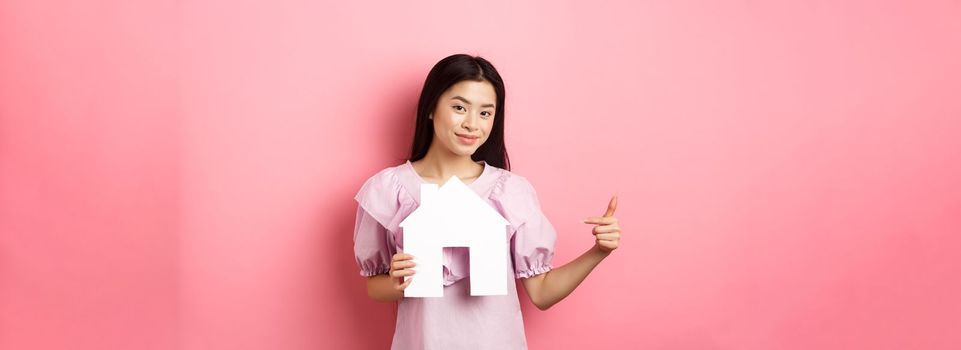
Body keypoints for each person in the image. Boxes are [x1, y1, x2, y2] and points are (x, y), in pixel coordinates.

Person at [352, 53, 622, 349]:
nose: (472, 124)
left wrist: (598, 251)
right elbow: (374, 286)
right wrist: (395, 283)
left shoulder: (511, 191)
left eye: (485, 113)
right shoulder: (388, 190)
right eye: (459, 107)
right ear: (430, 108)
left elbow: (542, 293)